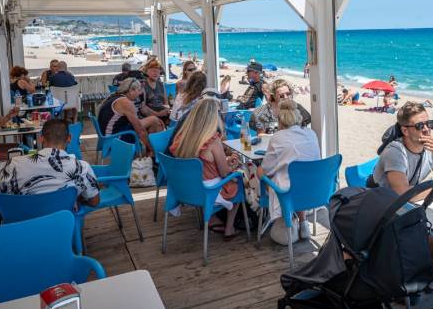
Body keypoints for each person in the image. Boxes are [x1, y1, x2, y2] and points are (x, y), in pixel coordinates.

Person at [370, 102, 433, 263]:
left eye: (429, 123)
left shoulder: (428, 149)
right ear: (405, 130)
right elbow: (404, 194)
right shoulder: (395, 152)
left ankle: (418, 268)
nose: (426, 129)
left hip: (410, 209)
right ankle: (415, 278)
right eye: (420, 125)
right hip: (385, 212)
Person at [169, 99, 241, 240]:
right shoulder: (212, 141)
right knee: (239, 183)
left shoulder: (182, 138)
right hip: (208, 191)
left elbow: (199, 163)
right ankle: (230, 228)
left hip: (185, 188)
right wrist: (233, 166)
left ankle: (212, 217)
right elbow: (224, 173)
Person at [0, 119, 100, 208]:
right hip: (62, 228)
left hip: (23, 228)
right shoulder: (81, 168)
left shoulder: (13, 165)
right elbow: (94, 201)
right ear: (69, 138)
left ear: (41, 139)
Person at [256, 99, 321, 243]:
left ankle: (287, 216)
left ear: (280, 120)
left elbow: (267, 168)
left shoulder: (278, 137)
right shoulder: (311, 134)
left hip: (290, 192)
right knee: (293, 174)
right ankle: (303, 221)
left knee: (261, 171)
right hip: (315, 189)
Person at [97, 78, 159, 154]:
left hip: (108, 137)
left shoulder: (114, 96)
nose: (140, 93)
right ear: (131, 90)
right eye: (139, 90)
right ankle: (154, 153)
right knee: (153, 122)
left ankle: (151, 153)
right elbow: (140, 130)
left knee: (154, 120)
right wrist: (151, 148)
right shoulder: (125, 102)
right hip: (114, 140)